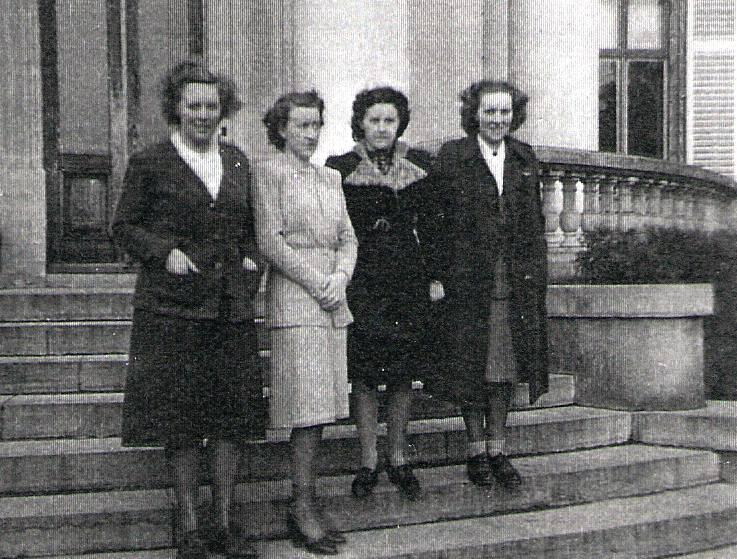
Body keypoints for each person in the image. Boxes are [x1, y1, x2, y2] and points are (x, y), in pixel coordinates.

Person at [112, 60, 265, 559]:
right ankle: (190, 530)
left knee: (229, 420)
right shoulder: (150, 162)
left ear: (224, 110)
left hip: (229, 311)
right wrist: (163, 252)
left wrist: (249, 260)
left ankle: (225, 525)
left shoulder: (239, 161)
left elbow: (249, 229)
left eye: (211, 105)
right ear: (176, 109)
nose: (202, 113)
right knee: (180, 422)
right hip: (171, 312)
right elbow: (125, 228)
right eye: (192, 104)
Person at [421, 80, 549, 488]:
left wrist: (535, 274)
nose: (498, 119)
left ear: (515, 115)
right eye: (490, 111)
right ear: (474, 113)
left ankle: (499, 449)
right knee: (471, 368)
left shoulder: (524, 157)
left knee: (505, 368)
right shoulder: (453, 157)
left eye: (505, 112)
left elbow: (534, 224)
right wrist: (436, 274)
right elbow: (434, 223)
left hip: (512, 281)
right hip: (466, 281)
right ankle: (475, 449)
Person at [254, 90, 357, 555]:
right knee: (306, 408)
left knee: (322, 409)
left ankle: (305, 502)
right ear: (281, 129)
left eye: (316, 125)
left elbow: (348, 239)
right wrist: (320, 282)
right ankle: (301, 505)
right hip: (296, 300)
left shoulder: (331, 177)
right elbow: (271, 244)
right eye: (301, 126)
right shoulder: (267, 172)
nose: (311, 134)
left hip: (331, 300)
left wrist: (339, 277)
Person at [325, 86, 438, 500]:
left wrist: (435, 277)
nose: (381, 128)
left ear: (399, 124)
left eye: (389, 120)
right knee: (367, 375)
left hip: (408, 280)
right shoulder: (338, 168)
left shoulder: (421, 167)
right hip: (363, 281)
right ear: (360, 123)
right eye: (374, 120)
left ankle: (398, 456)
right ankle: (368, 459)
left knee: (403, 374)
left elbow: (434, 227)